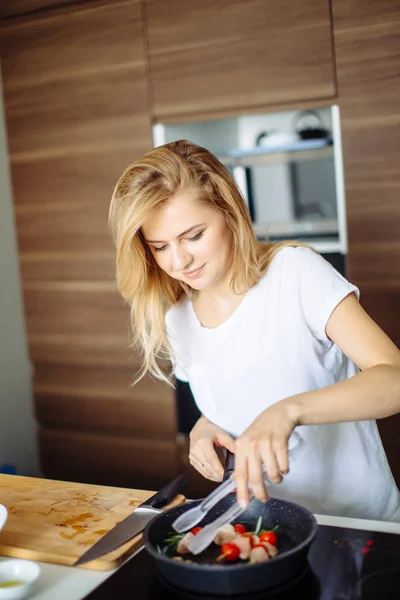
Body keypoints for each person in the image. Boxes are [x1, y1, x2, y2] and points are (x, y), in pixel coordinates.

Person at [109, 139, 400, 522]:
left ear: (229, 212)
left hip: (356, 522)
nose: (179, 260)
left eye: (193, 236)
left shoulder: (295, 274)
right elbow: (237, 392)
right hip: (262, 523)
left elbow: (393, 378)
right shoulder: (177, 320)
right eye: (160, 247)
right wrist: (204, 427)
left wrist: (289, 410)